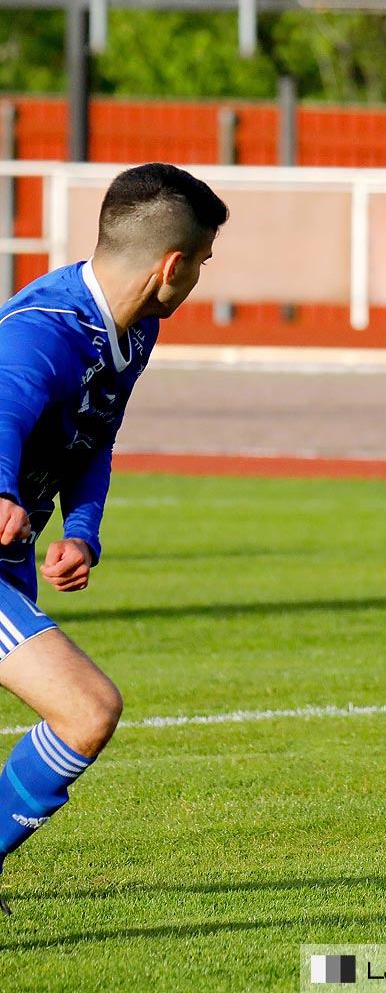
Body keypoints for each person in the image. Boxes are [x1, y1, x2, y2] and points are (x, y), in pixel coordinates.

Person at [0, 163, 228, 915]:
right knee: (86, 709)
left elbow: (95, 437)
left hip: (12, 554)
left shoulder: (133, 329)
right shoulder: (47, 329)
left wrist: (83, 531)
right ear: (173, 265)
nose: (197, 278)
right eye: (199, 262)